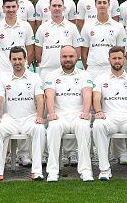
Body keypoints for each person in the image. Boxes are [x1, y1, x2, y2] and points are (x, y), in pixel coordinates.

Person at [0, 47, 46, 181]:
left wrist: (39, 117)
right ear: (10, 60)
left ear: (25, 59)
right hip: (10, 119)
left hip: (29, 118)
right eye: (14, 59)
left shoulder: (35, 77)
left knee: (40, 129)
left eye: (20, 59)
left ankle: (36, 171)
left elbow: (40, 99)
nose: (17, 62)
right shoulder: (3, 78)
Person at [91, 46, 127, 181]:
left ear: (124, 59)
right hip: (108, 116)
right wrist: (98, 111)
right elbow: (96, 98)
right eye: (114, 58)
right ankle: (104, 170)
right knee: (98, 125)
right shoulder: (100, 78)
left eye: (119, 58)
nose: (117, 61)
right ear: (109, 60)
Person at [44, 45, 95, 182]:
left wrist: (85, 112)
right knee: (53, 127)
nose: (67, 59)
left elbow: (87, 94)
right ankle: (53, 171)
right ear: (60, 58)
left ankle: (85, 170)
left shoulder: (85, 74)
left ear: (77, 57)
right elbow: (49, 95)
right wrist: (51, 113)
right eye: (64, 56)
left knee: (84, 127)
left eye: (71, 56)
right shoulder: (51, 75)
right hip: (59, 115)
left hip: (78, 115)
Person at [80, 0, 127, 79]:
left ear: (109, 5)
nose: (102, 5)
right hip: (92, 69)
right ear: (95, 5)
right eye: (99, 3)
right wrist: (88, 68)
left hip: (110, 69)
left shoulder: (118, 26)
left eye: (104, 3)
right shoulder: (87, 26)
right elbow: (83, 52)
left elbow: (122, 51)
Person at [35, 0, 82, 80]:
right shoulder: (42, 28)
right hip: (47, 71)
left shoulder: (72, 27)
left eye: (59, 6)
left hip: (67, 71)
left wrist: (68, 65)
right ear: (49, 8)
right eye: (54, 6)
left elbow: (77, 51)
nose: (57, 8)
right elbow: (38, 54)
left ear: (64, 8)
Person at [0, 0, 35, 74]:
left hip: (22, 72)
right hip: (2, 73)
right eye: (8, 7)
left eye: (13, 6)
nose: (11, 10)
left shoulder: (26, 26)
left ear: (18, 7)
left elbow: (30, 51)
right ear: (3, 8)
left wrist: (25, 66)